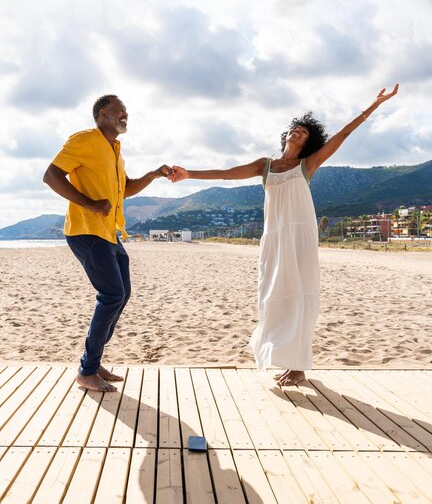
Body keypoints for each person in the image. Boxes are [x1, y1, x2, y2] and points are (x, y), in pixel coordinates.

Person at [169, 85, 399, 386]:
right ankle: (287, 359)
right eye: (294, 128)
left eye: (303, 132)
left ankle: (299, 366)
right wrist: (189, 174)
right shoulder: (265, 166)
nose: (297, 132)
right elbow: (227, 173)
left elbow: (342, 135)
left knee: (302, 295)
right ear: (286, 135)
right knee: (274, 295)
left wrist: (373, 106)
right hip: (275, 238)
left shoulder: (307, 164)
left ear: (309, 142)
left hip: (301, 237)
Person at [43, 95, 171, 392]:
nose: (125, 114)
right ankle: (86, 372)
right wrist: (90, 203)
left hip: (109, 232)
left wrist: (153, 174)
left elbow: (124, 190)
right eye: (119, 111)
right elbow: (50, 175)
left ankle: (93, 361)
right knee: (112, 294)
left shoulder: (115, 150)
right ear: (102, 114)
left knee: (122, 294)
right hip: (86, 231)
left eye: (127, 111)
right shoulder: (85, 139)